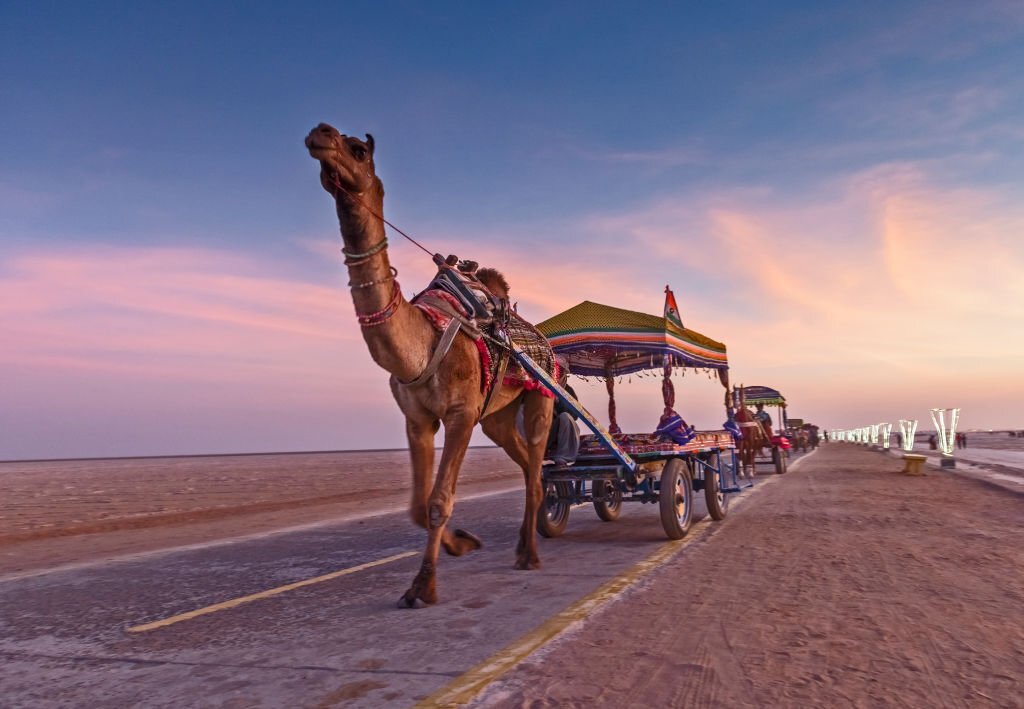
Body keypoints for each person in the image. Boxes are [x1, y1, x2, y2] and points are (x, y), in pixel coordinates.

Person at [517, 356, 580, 470]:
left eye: (559, 370)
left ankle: (563, 458)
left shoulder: (568, 391)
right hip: (538, 430)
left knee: (566, 417)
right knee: (520, 411)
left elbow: (575, 415)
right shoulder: (536, 386)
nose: (556, 373)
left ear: (564, 373)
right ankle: (527, 451)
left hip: (557, 432)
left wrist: (558, 399)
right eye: (554, 369)